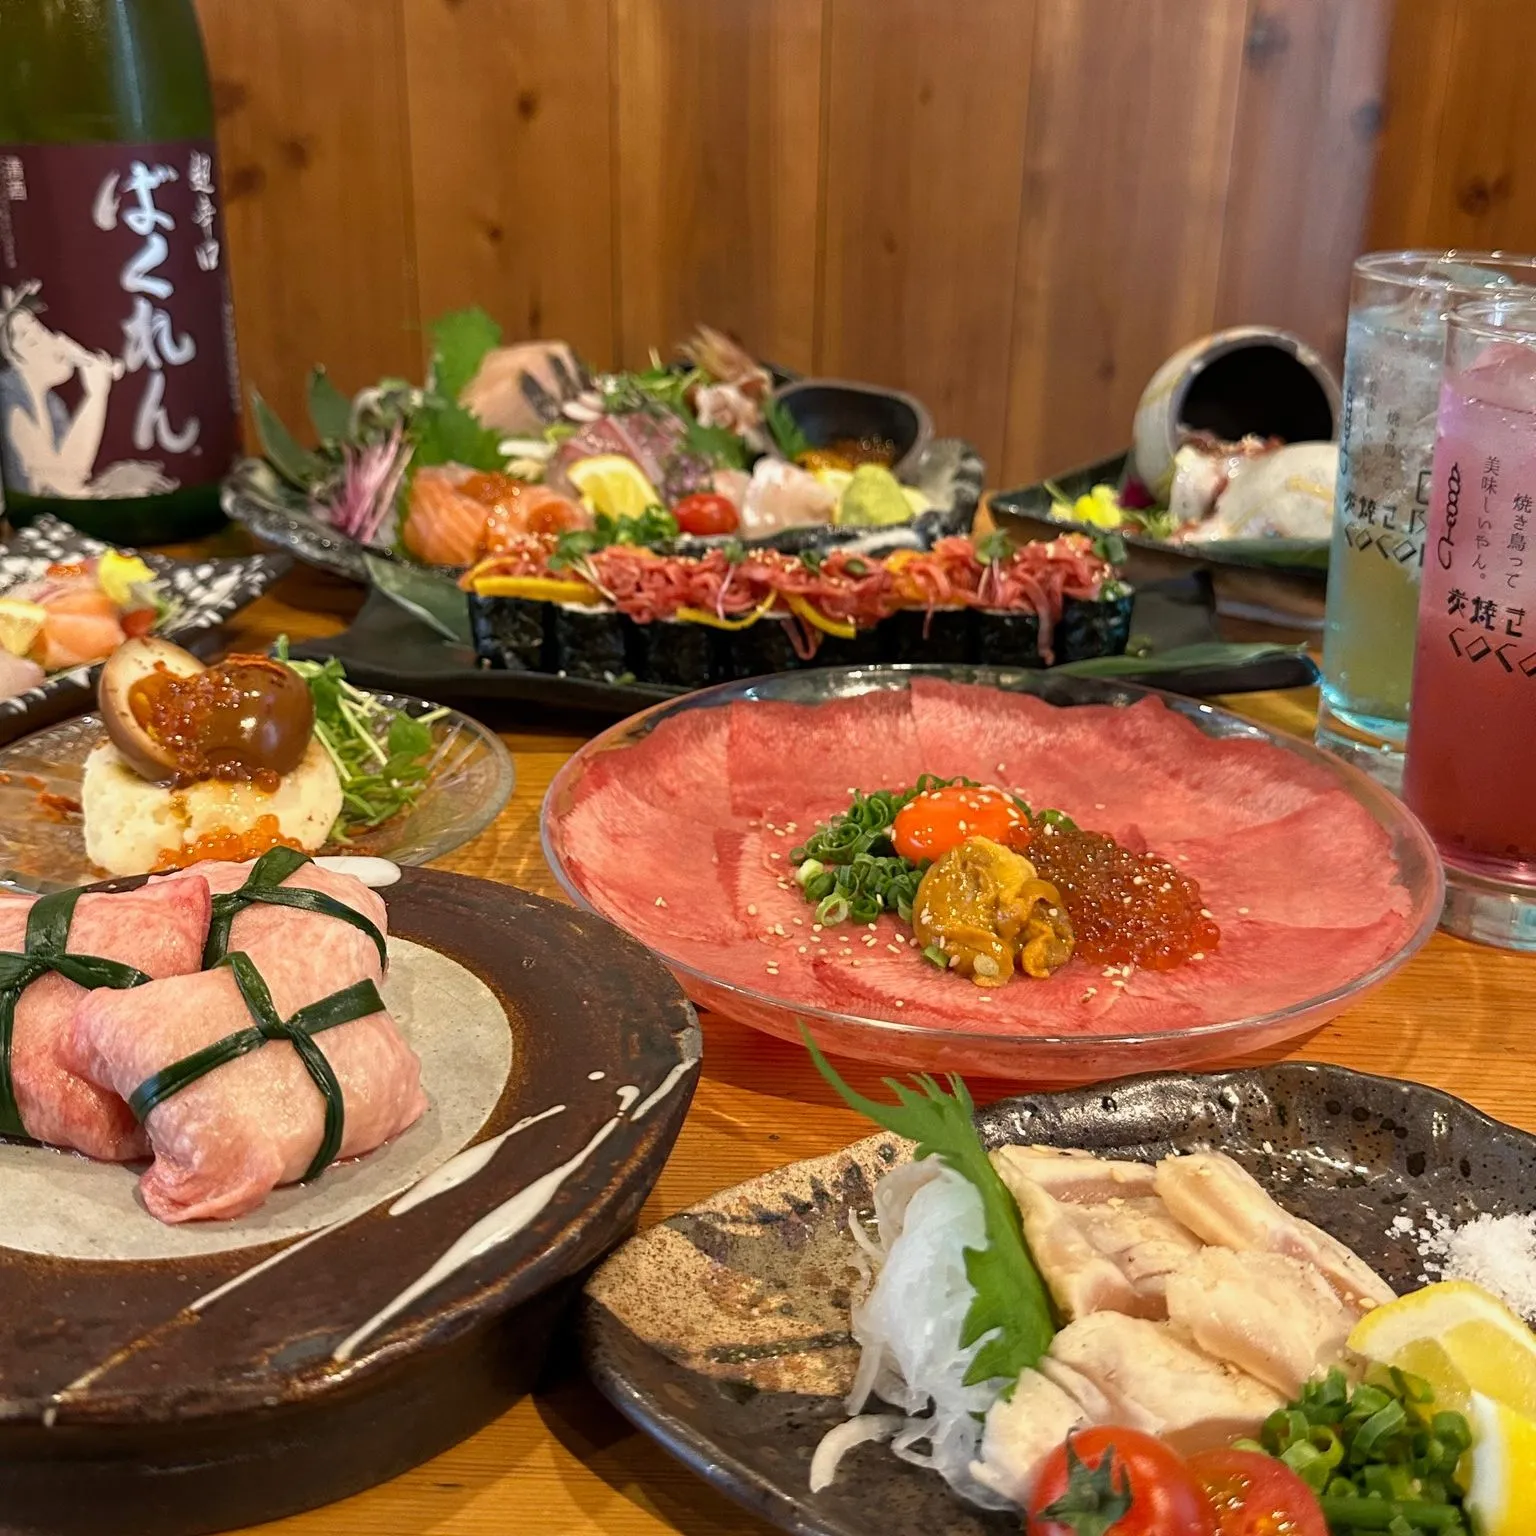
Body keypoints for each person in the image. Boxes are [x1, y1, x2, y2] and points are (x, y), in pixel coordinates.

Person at [0, 283, 174, 499]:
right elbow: (62, 484)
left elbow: (71, 483)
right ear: (16, 359)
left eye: (44, 331)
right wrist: (96, 395)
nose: (56, 340)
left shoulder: (52, 407)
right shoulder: (14, 401)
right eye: (33, 339)